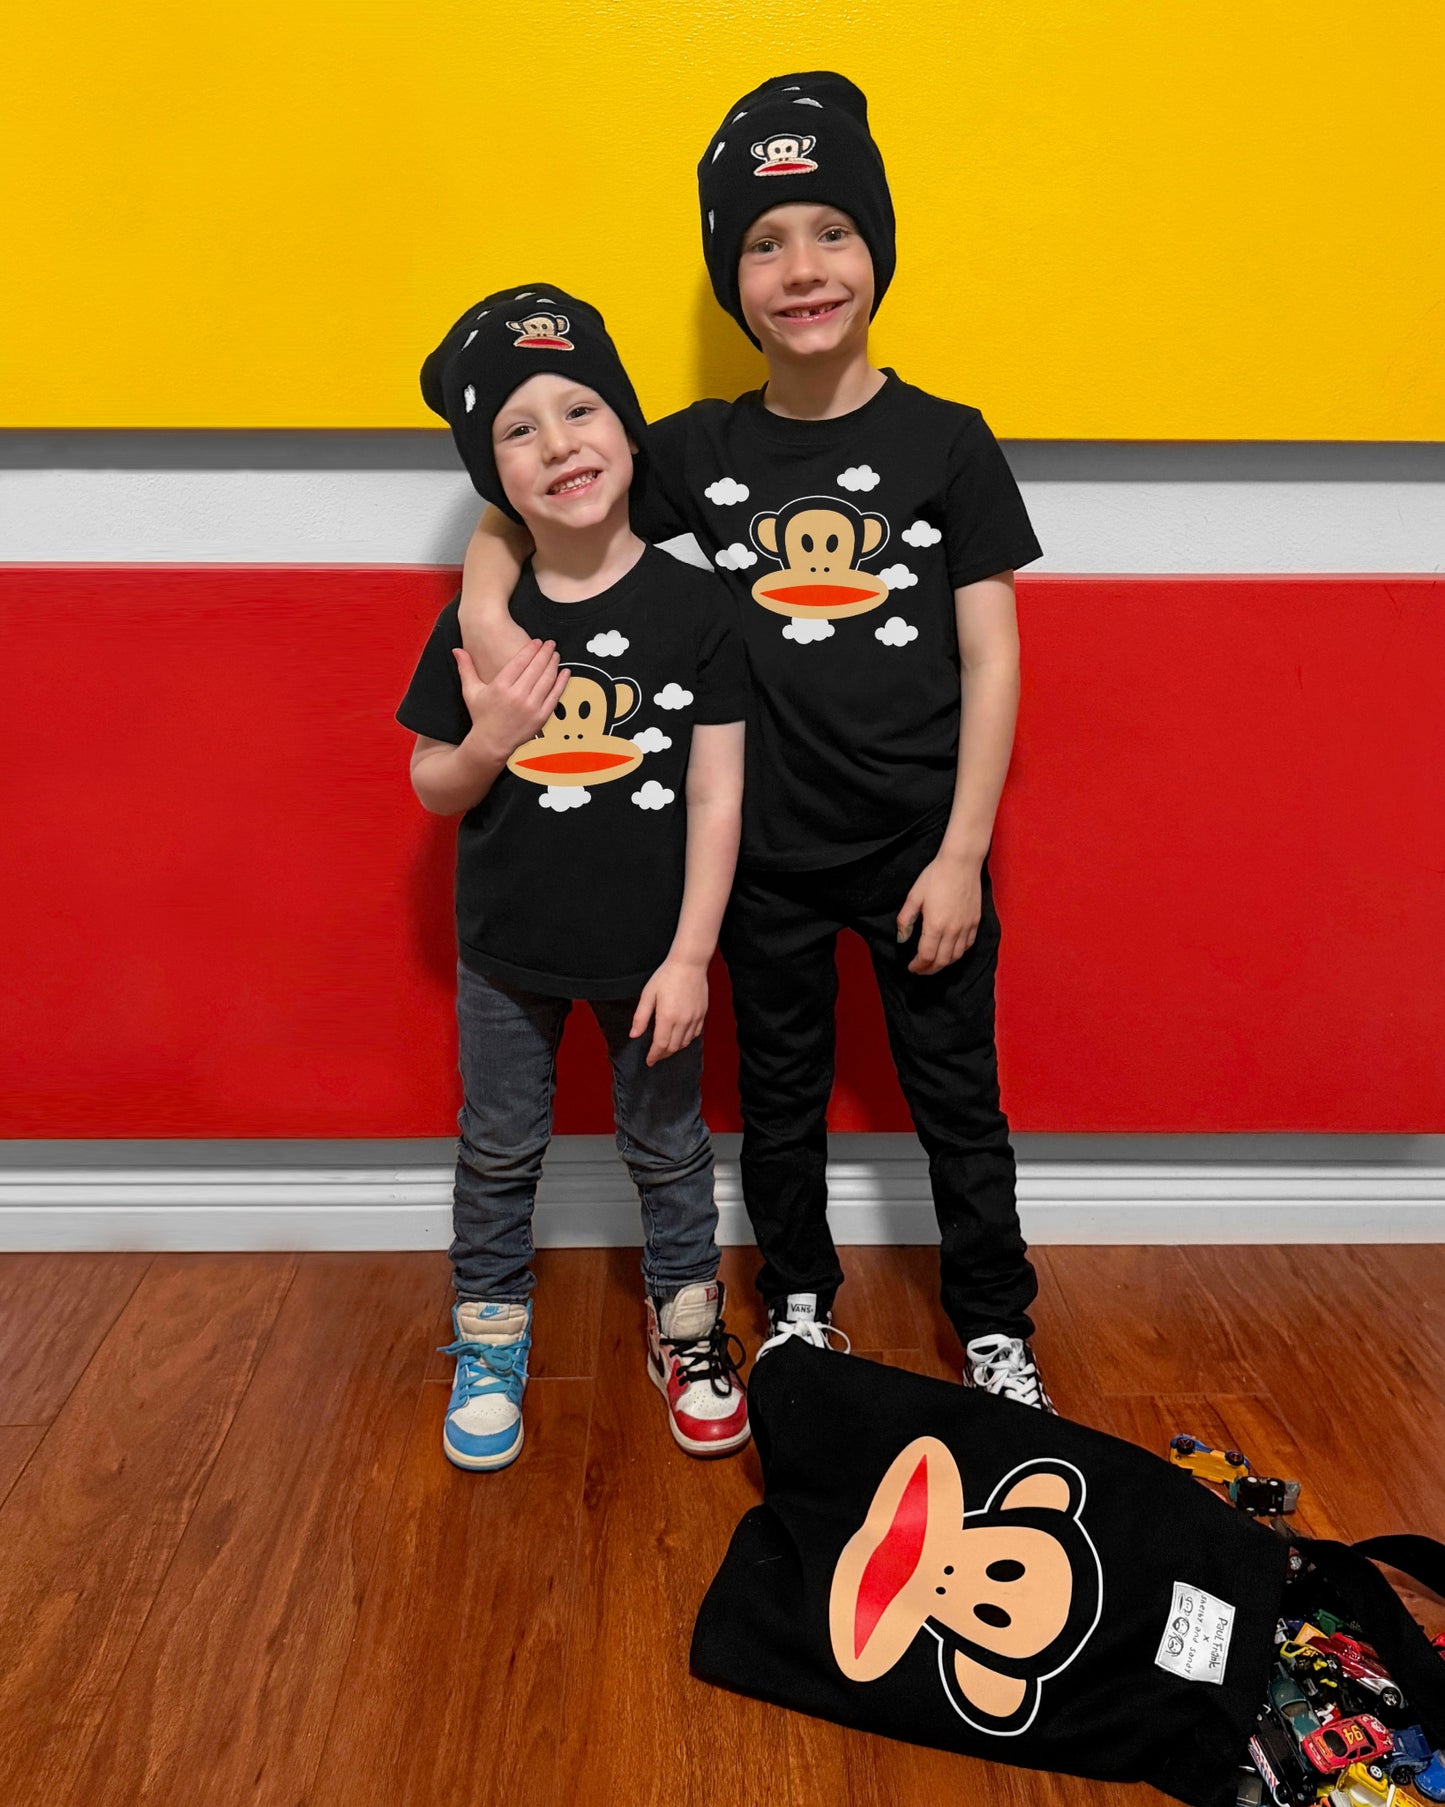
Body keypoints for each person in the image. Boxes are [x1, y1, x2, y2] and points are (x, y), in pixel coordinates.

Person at [455, 74, 1055, 1412]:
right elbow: (525, 506)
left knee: (959, 1099)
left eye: (831, 232)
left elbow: (993, 653)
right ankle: (794, 1305)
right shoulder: (695, 446)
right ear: (732, 277)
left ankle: (997, 1324)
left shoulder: (948, 443)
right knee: (775, 1096)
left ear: (877, 251)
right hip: (762, 858)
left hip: (918, 853)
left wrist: (963, 850)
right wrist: (485, 608)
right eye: (762, 245)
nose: (801, 270)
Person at [397, 286, 750, 1470]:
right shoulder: (478, 617)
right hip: (506, 950)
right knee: (498, 1147)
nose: (557, 444)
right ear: (493, 476)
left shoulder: (697, 606)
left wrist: (693, 951)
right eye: (517, 429)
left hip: (654, 956)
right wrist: (490, 733)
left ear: (627, 429)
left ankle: (687, 1324)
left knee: (668, 1145)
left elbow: (716, 793)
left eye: (580, 407)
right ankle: (490, 1334)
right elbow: (431, 786)